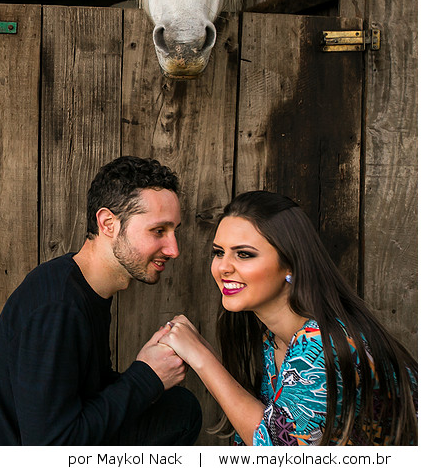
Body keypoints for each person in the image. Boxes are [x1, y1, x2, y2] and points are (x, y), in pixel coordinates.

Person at [0, 155, 202, 445]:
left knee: (177, 408)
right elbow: (50, 448)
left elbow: (82, 397)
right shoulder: (56, 307)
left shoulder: (88, 290)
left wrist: (154, 366)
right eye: (158, 231)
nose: (174, 249)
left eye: (174, 231)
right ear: (108, 223)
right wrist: (147, 377)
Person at [159, 191, 418, 446]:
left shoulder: (322, 343)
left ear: (290, 263)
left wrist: (202, 359)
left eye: (244, 254)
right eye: (218, 252)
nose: (223, 267)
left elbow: (279, 453)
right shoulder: (273, 338)